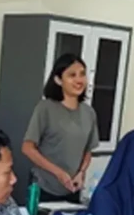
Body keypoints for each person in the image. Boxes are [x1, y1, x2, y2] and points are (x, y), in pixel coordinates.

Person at [22, 53, 100, 203]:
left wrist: (81, 173)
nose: (79, 80)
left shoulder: (89, 113)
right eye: (72, 75)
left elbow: (87, 151)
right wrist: (58, 172)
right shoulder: (45, 108)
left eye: (82, 74)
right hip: (44, 187)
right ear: (58, 80)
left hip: (72, 188)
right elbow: (27, 148)